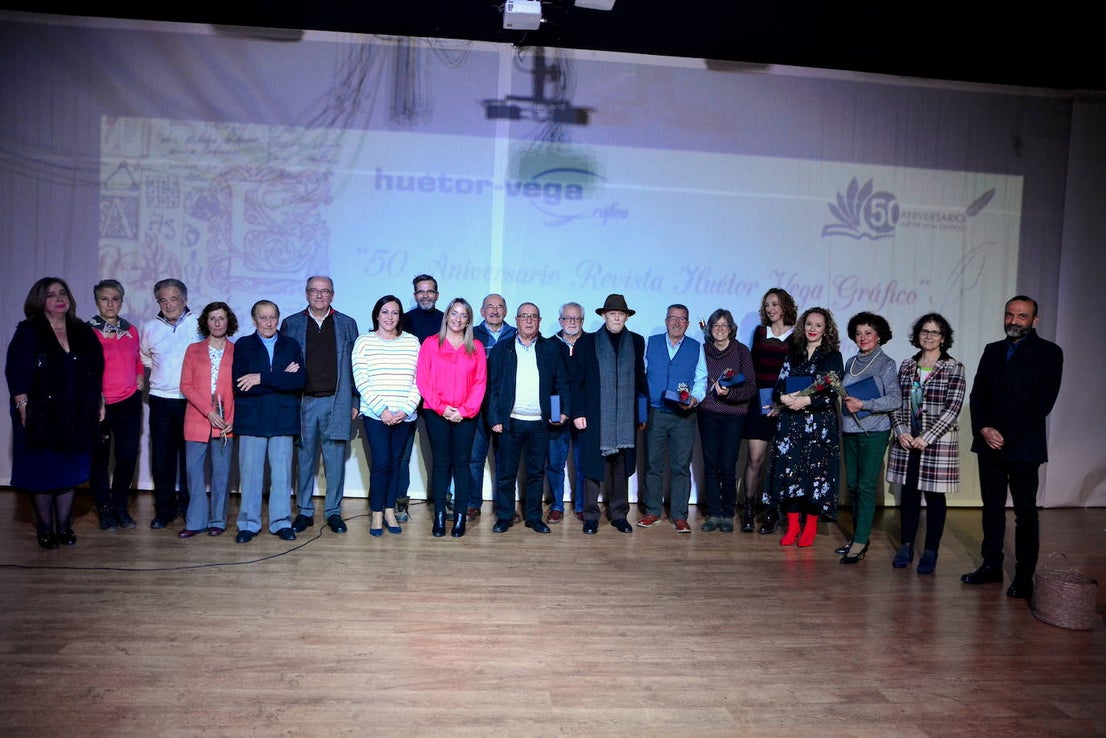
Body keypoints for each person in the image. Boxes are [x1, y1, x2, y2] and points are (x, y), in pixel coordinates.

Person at [962, 296, 1063, 599]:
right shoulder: (992, 350)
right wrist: (984, 428)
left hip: (1023, 445)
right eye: (1010, 315)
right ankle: (991, 566)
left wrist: (1004, 433)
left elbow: (1043, 403)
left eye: (1022, 316)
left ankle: (1023, 576)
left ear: (1035, 320)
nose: (1014, 321)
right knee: (992, 508)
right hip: (988, 443)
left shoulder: (1049, 353)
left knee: (1025, 513)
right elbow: (977, 394)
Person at [6, 277, 104, 548]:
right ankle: (45, 529)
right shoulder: (29, 331)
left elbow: (95, 369)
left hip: (75, 412)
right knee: (43, 471)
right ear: (40, 301)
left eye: (63, 293)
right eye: (51, 295)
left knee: (68, 472)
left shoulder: (82, 330)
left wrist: (99, 399)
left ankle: (64, 527)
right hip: (39, 413)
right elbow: (16, 370)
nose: (59, 298)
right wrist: (22, 404)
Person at [885, 313, 965, 574]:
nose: (929, 336)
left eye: (935, 332)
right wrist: (900, 430)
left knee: (934, 497)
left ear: (943, 338)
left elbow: (952, 409)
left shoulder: (954, 367)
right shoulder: (907, 366)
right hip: (907, 442)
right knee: (908, 496)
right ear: (917, 335)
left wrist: (927, 437)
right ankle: (906, 545)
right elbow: (896, 401)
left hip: (936, 444)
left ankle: (931, 550)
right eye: (924, 331)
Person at [280, 276, 360, 535]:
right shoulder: (291, 324)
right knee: (304, 459)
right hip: (304, 402)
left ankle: (333, 512)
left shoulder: (347, 324)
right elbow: (281, 363)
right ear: (306, 294)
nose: (319, 296)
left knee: (335, 461)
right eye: (314, 291)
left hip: (337, 402)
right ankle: (304, 512)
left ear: (332, 295)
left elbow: (356, 367)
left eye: (325, 291)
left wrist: (355, 400)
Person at [486, 302, 571, 534]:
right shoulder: (502, 349)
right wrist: (494, 418)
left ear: (540, 321)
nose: (529, 320)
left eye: (533, 316)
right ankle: (504, 516)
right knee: (506, 473)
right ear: (516, 319)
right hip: (510, 422)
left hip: (540, 424)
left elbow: (561, 382)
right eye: (525, 316)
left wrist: (563, 411)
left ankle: (534, 517)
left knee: (535, 473)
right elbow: (492, 387)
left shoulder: (551, 349)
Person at [763, 306, 843, 548]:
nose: (813, 329)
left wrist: (806, 400)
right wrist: (784, 399)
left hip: (819, 426)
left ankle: (809, 528)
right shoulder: (793, 353)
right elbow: (779, 385)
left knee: (815, 478)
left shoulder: (833, 356)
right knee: (790, 475)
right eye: (809, 324)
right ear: (802, 326)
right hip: (791, 425)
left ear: (826, 329)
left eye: (818, 325)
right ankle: (793, 526)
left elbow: (832, 391)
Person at [571, 294, 648, 535]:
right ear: (603, 316)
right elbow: (576, 381)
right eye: (612, 313)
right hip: (595, 416)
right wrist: (578, 412)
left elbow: (640, 381)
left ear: (626, 317)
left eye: (621, 313)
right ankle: (591, 516)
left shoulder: (636, 341)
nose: (616, 317)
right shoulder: (587, 342)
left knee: (620, 467)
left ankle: (619, 514)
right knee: (592, 467)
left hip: (625, 416)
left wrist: (642, 414)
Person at [232, 300, 306, 543]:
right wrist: (280, 378)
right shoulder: (243, 345)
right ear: (254, 320)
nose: (268, 322)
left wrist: (261, 377)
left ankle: (281, 523)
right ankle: (248, 524)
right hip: (252, 420)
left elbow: (297, 382)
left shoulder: (290, 344)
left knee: (282, 476)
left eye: (272, 317)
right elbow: (241, 386)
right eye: (262, 318)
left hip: (282, 419)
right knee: (250, 476)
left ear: (278, 318)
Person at [416, 297, 487, 538]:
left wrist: (464, 411)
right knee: (441, 463)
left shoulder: (475, 346)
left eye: (463, 315)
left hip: (466, 415)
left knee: (462, 464)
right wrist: (441, 408)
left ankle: (459, 518)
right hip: (437, 413)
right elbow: (423, 380)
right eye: (454, 314)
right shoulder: (430, 343)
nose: (458, 319)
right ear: (446, 316)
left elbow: (480, 383)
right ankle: (438, 517)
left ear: (469, 320)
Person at [352, 295, 421, 536]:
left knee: (395, 464)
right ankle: (377, 514)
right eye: (385, 312)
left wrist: (405, 409)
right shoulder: (364, 342)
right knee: (381, 463)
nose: (390, 317)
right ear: (377, 315)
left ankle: (390, 510)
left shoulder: (412, 343)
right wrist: (383, 410)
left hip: (405, 415)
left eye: (394, 313)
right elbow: (362, 380)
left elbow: (419, 380)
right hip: (375, 415)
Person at [837, 311, 901, 564]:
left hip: (874, 432)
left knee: (864, 487)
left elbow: (895, 399)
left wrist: (864, 403)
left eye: (869, 333)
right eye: (859, 333)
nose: (863, 337)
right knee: (852, 486)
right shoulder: (850, 361)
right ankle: (858, 536)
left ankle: (861, 541)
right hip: (849, 431)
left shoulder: (886, 363)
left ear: (879, 336)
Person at [140, 278, 202, 529]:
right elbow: (145, 358)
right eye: (162, 300)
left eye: (173, 298)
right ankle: (164, 510)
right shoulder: (150, 327)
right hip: (161, 402)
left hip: (192, 401)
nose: (168, 304)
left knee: (191, 459)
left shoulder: (199, 324)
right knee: (162, 459)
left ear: (185, 299)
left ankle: (189, 508)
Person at [640, 303, 708, 533]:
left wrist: (695, 399)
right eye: (673, 318)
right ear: (666, 320)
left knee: (680, 467)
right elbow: (642, 375)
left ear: (687, 324)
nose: (677, 323)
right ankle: (652, 511)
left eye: (682, 319)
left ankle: (679, 516)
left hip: (683, 416)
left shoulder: (696, 347)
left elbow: (701, 380)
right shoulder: (652, 342)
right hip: (656, 412)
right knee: (652, 465)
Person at [178, 302, 238, 538]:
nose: (216, 322)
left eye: (221, 318)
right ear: (206, 322)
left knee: (221, 474)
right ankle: (195, 521)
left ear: (228, 322)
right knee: (194, 473)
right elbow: (186, 385)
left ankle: (218, 520)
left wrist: (231, 418)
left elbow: (239, 390)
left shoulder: (237, 350)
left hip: (226, 422)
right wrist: (209, 412)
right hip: (197, 418)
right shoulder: (193, 349)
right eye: (212, 318)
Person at [88, 279, 144, 530]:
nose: (110, 303)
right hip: (100, 404)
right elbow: (84, 370)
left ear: (121, 301)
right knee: (99, 459)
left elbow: (137, 359)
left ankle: (120, 505)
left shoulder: (131, 329)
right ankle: (105, 509)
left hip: (129, 402)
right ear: (97, 301)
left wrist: (139, 377)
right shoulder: (86, 331)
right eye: (104, 299)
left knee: (127, 455)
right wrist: (94, 397)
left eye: (115, 299)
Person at [742, 288, 797, 534]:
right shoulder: (760, 332)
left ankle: (773, 511)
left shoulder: (797, 335)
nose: (771, 309)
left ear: (785, 306)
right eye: (767, 306)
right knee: (755, 459)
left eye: (775, 304)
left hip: (785, 406)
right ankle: (749, 509)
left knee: (780, 462)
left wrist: (782, 403)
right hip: (759, 403)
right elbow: (752, 366)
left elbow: (797, 374)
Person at [697, 308, 757, 532]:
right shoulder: (702, 350)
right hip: (708, 413)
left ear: (731, 329)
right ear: (710, 329)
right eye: (715, 325)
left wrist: (729, 394)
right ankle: (713, 513)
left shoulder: (741, 351)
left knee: (727, 465)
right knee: (711, 465)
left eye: (724, 325)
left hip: (734, 415)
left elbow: (751, 386)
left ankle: (727, 513)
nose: (720, 329)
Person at [397, 274, 444, 522]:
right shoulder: (402, 320)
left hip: (436, 396)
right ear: (414, 295)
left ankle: (441, 500)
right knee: (403, 454)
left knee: (440, 453)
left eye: (430, 291)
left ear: (437, 294)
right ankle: (400, 502)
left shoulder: (448, 321)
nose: (425, 295)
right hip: (408, 394)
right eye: (420, 291)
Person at [468, 293, 516, 522]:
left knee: (505, 460)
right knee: (474, 458)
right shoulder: (471, 334)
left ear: (506, 311)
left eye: (499, 307)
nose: (495, 311)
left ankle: (505, 506)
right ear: (482, 311)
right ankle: (471, 504)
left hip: (505, 408)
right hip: (476, 405)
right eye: (490, 307)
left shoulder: (516, 334)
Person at [546, 301, 587, 523]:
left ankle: (581, 505)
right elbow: (547, 381)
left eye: (577, 318)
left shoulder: (591, 343)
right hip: (557, 412)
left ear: (582, 320)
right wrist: (558, 411)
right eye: (568, 318)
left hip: (583, 414)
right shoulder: (549, 344)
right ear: (560, 320)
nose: (572, 322)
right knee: (555, 463)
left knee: (582, 462)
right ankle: (557, 506)